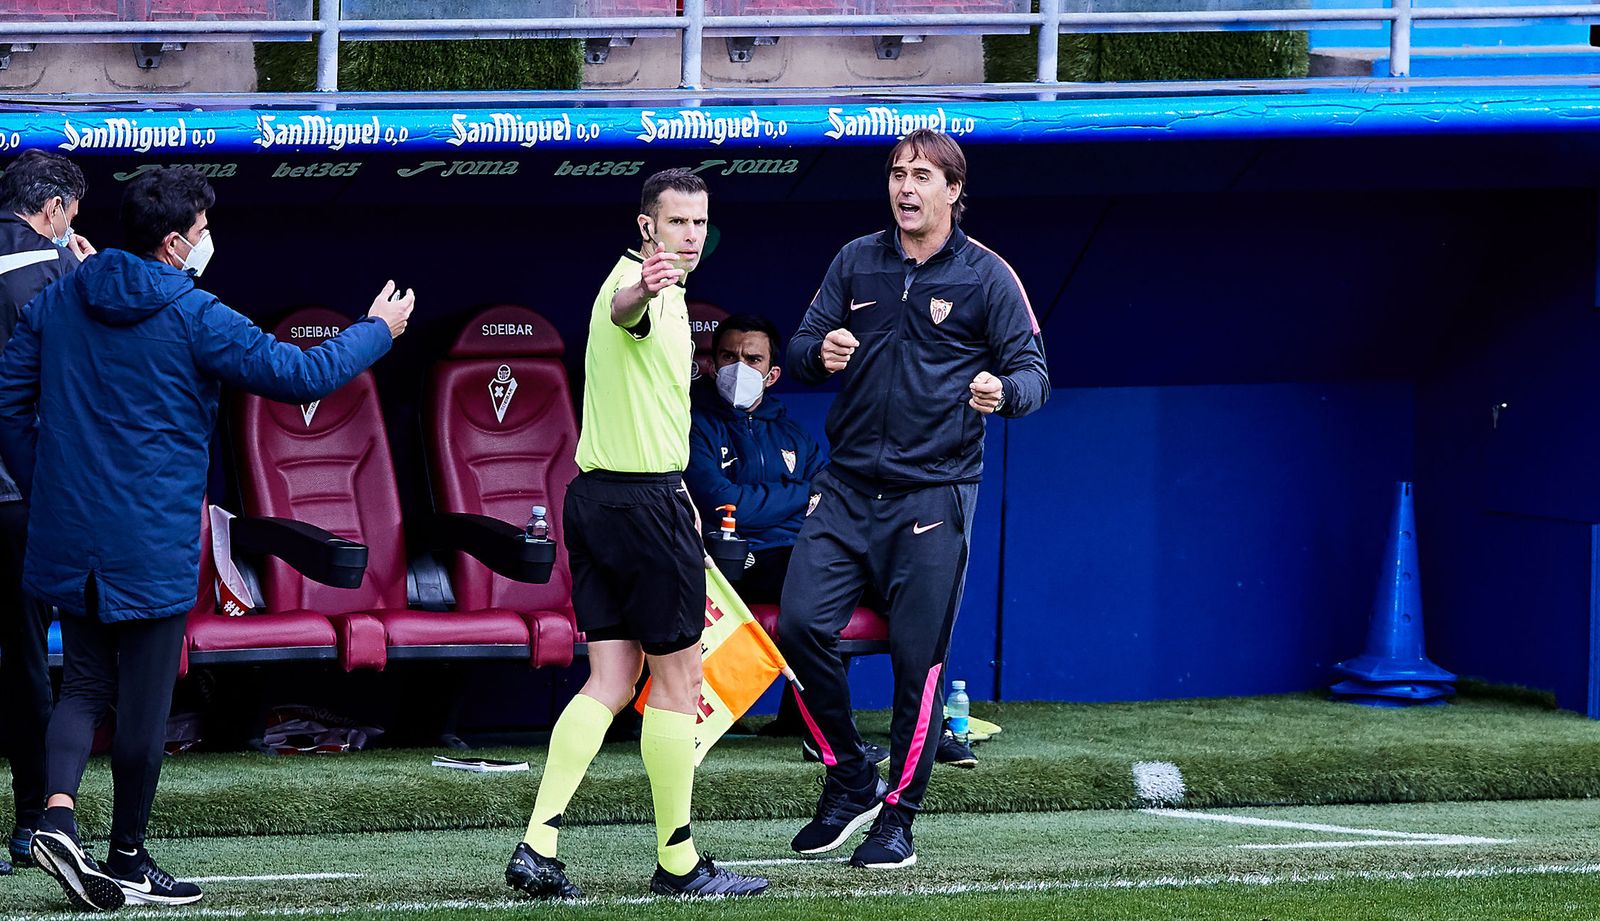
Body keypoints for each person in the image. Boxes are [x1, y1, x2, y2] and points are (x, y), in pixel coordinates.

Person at [0, 165, 414, 911]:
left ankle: (55, 814)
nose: (206, 242)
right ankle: (126, 857)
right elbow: (299, 373)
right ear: (171, 244)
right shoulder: (195, 311)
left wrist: (42, 483)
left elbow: (6, 400)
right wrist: (377, 332)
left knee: (86, 682)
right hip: (150, 533)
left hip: (69, 528)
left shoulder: (63, 297)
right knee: (145, 698)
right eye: (199, 232)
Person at [780, 129, 1049, 869]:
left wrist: (1005, 392)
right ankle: (849, 773)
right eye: (897, 173)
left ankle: (898, 815)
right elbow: (800, 346)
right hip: (843, 488)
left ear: (954, 190)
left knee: (916, 662)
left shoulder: (988, 276)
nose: (906, 186)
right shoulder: (854, 259)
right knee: (798, 628)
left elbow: (1034, 373)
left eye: (923, 174)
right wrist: (819, 351)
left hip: (933, 494)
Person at [503, 168, 767, 901]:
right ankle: (679, 861)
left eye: (698, 223)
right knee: (679, 681)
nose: (690, 236)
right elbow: (626, 311)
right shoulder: (639, 288)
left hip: (599, 501)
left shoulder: (670, 290)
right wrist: (647, 288)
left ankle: (539, 843)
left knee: (613, 679)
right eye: (676, 222)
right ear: (647, 225)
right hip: (642, 510)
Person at [0, 149, 95, 875]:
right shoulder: (64, 277)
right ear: (56, 209)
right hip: (23, 496)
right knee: (27, 662)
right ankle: (32, 821)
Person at [685, 313, 824, 604]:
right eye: (729, 356)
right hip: (736, 560)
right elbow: (724, 504)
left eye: (752, 359)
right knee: (810, 581)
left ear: (771, 375)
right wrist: (801, 491)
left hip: (796, 554)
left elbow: (825, 497)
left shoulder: (794, 435)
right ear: (713, 366)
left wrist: (806, 494)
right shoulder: (693, 425)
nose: (739, 367)